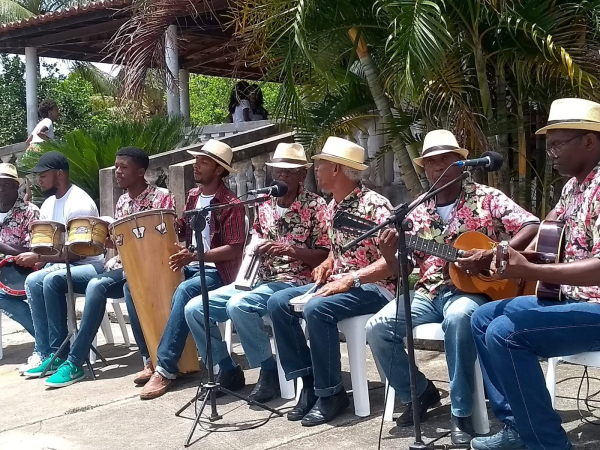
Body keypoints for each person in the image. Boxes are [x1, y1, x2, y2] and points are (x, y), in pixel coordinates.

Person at [365, 130, 540, 445]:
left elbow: (531, 224)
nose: (437, 169)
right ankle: (419, 393)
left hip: (473, 292)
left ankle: (461, 413)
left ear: (461, 163)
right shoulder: (417, 210)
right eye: (431, 163)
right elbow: (404, 268)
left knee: (459, 318)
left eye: (445, 161)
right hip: (429, 292)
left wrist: (496, 254)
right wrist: (390, 251)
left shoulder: (487, 197)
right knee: (376, 327)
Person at [470, 98, 600, 450]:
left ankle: (548, 444)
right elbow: (548, 241)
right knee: (482, 318)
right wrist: (508, 256)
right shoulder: (573, 188)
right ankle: (517, 426)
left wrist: (526, 268)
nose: (552, 153)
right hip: (572, 299)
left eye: (559, 144)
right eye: (549, 145)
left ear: (589, 141)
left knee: (506, 334)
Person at [184, 142, 329, 402]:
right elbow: (255, 241)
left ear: (302, 175)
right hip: (259, 278)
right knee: (195, 308)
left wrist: (288, 250)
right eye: (277, 171)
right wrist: (251, 263)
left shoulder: (316, 206)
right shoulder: (266, 204)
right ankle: (227, 369)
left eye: (288, 172)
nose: (281, 176)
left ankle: (268, 370)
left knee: (239, 306)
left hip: (294, 281)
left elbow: (325, 254)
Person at [267, 136, 396, 426]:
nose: (316, 169)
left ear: (337, 169)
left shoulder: (375, 206)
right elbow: (338, 251)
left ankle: (331, 393)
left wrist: (350, 278)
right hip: (342, 282)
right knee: (277, 302)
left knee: (317, 309)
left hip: (376, 287)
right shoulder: (333, 205)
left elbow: (392, 263)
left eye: (320, 163)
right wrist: (328, 263)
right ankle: (309, 383)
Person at [42, 147, 175, 388]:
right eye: (116, 166)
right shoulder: (122, 202)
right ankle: (71, 360)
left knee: (111, 286)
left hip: (153, 267)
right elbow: (120, 243)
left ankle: (143, 360)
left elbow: (165, 237)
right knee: (90, 284)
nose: (118, 171)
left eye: (124, 167)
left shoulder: (161, 198)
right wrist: (102, 240)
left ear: (141, 171)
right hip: (125, 267)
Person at [132, 139, 246, 400]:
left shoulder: (230, 203)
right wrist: (163, 224)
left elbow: (234, 249)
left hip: (218, 272)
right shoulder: (194, 196)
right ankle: (152, 357)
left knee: (184, 290)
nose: (196, 165)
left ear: (218, 170)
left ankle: (165, 368)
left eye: (203, 161)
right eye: (197, 159)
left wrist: (196, 255)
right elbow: (182, 229)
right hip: (192, 265)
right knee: (134, 287)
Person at [15, 152, 105, 378]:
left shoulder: (79, 203)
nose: (38, 181)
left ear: (60, 174)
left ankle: (60, 353)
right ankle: (46, 352)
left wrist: (38, 258)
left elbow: (78, 252)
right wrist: (36, 256)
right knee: (34, 280)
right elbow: (47, 246)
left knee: (46, 279)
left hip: (90, 265)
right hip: (62, 263)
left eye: (43, 175)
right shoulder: (47, 204)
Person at [0, 163, 40, 368]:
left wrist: (3, 247)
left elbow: (35, 250)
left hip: (21, 271)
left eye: (5, 185)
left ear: (17, 187)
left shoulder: (29, 212)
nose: (0, 189)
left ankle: (44, 340)